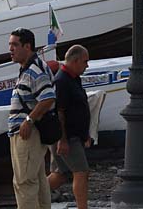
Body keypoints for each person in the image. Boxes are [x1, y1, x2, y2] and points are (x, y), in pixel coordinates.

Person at [8, 28, 56, 209]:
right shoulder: (31, 68)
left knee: (24, 183)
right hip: (29, 133)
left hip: (28, 135)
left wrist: (29, 120)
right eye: (10, 45)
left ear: (27, 46)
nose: (10, 49)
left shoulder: (34, 70)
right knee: (37, 180)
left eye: (15, 45)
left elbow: (48, 97)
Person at [47, 45, 91, 209]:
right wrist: (62, 140)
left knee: (59, 175)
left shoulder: (73, 78)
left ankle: (30, 198)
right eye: (85, 61)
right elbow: (59, 112)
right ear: (75, 60)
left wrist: (85, 134)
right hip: (67, 137)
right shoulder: (62, 81)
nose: (87, 65)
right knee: (81, 172)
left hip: (74, 135)